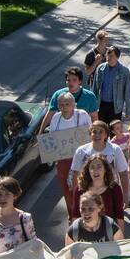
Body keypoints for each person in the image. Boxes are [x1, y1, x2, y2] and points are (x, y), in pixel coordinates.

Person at [47, 92, 92, 220]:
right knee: (67, 189)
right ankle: (72, 215)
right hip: (63, 160)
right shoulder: (56, 117)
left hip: (82, 159)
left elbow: (90, 133)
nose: (64, 107)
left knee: (83, 187)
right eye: (61, 104)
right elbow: (52, 138)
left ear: (73, 105)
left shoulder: (82, 115)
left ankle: (85, 214)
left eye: (67, 104)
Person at [70, 120, 130, 200]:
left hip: (111, 193)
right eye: (94, 132)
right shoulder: (81, 151)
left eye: (101, 132)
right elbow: (76, 175)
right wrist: (76, 198)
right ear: (90, 134)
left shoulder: (115, 149)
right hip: (88, 196)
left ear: (106, 134)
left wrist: (125, 195)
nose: (97, 135)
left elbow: (123, 173)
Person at [40, 66, 99, 132]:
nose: (71, 83)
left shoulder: (90, 96)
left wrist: (95, 133)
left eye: (74, 80)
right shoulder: (58, 95)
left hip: (81, 134)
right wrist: (40, 132)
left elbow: (94, 117)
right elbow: (49, 114)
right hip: (63, 132)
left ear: (80, 81)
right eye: (68, 80)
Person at [73, 154, 125, 230]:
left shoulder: (114, 188)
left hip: (108, 232)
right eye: (92, 167)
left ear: (105, 169)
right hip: (86, 233)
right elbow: (75, 215)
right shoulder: (80, 189)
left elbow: (119, 215)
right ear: (88, 171)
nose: (95, 170)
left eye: (99, 166)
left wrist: (121, 238)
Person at [92, 46, 130, 124]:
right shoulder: (100, 68)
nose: (108, 58)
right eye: (107, 55)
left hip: (116, 107)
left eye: (111, 56)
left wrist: (128, 111)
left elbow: (128, 92)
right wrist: (91, 106)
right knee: (101, 130)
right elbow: (94, 88)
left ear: (117, 57)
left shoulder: (124, 71)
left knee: (114, 132)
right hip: (101, 105)